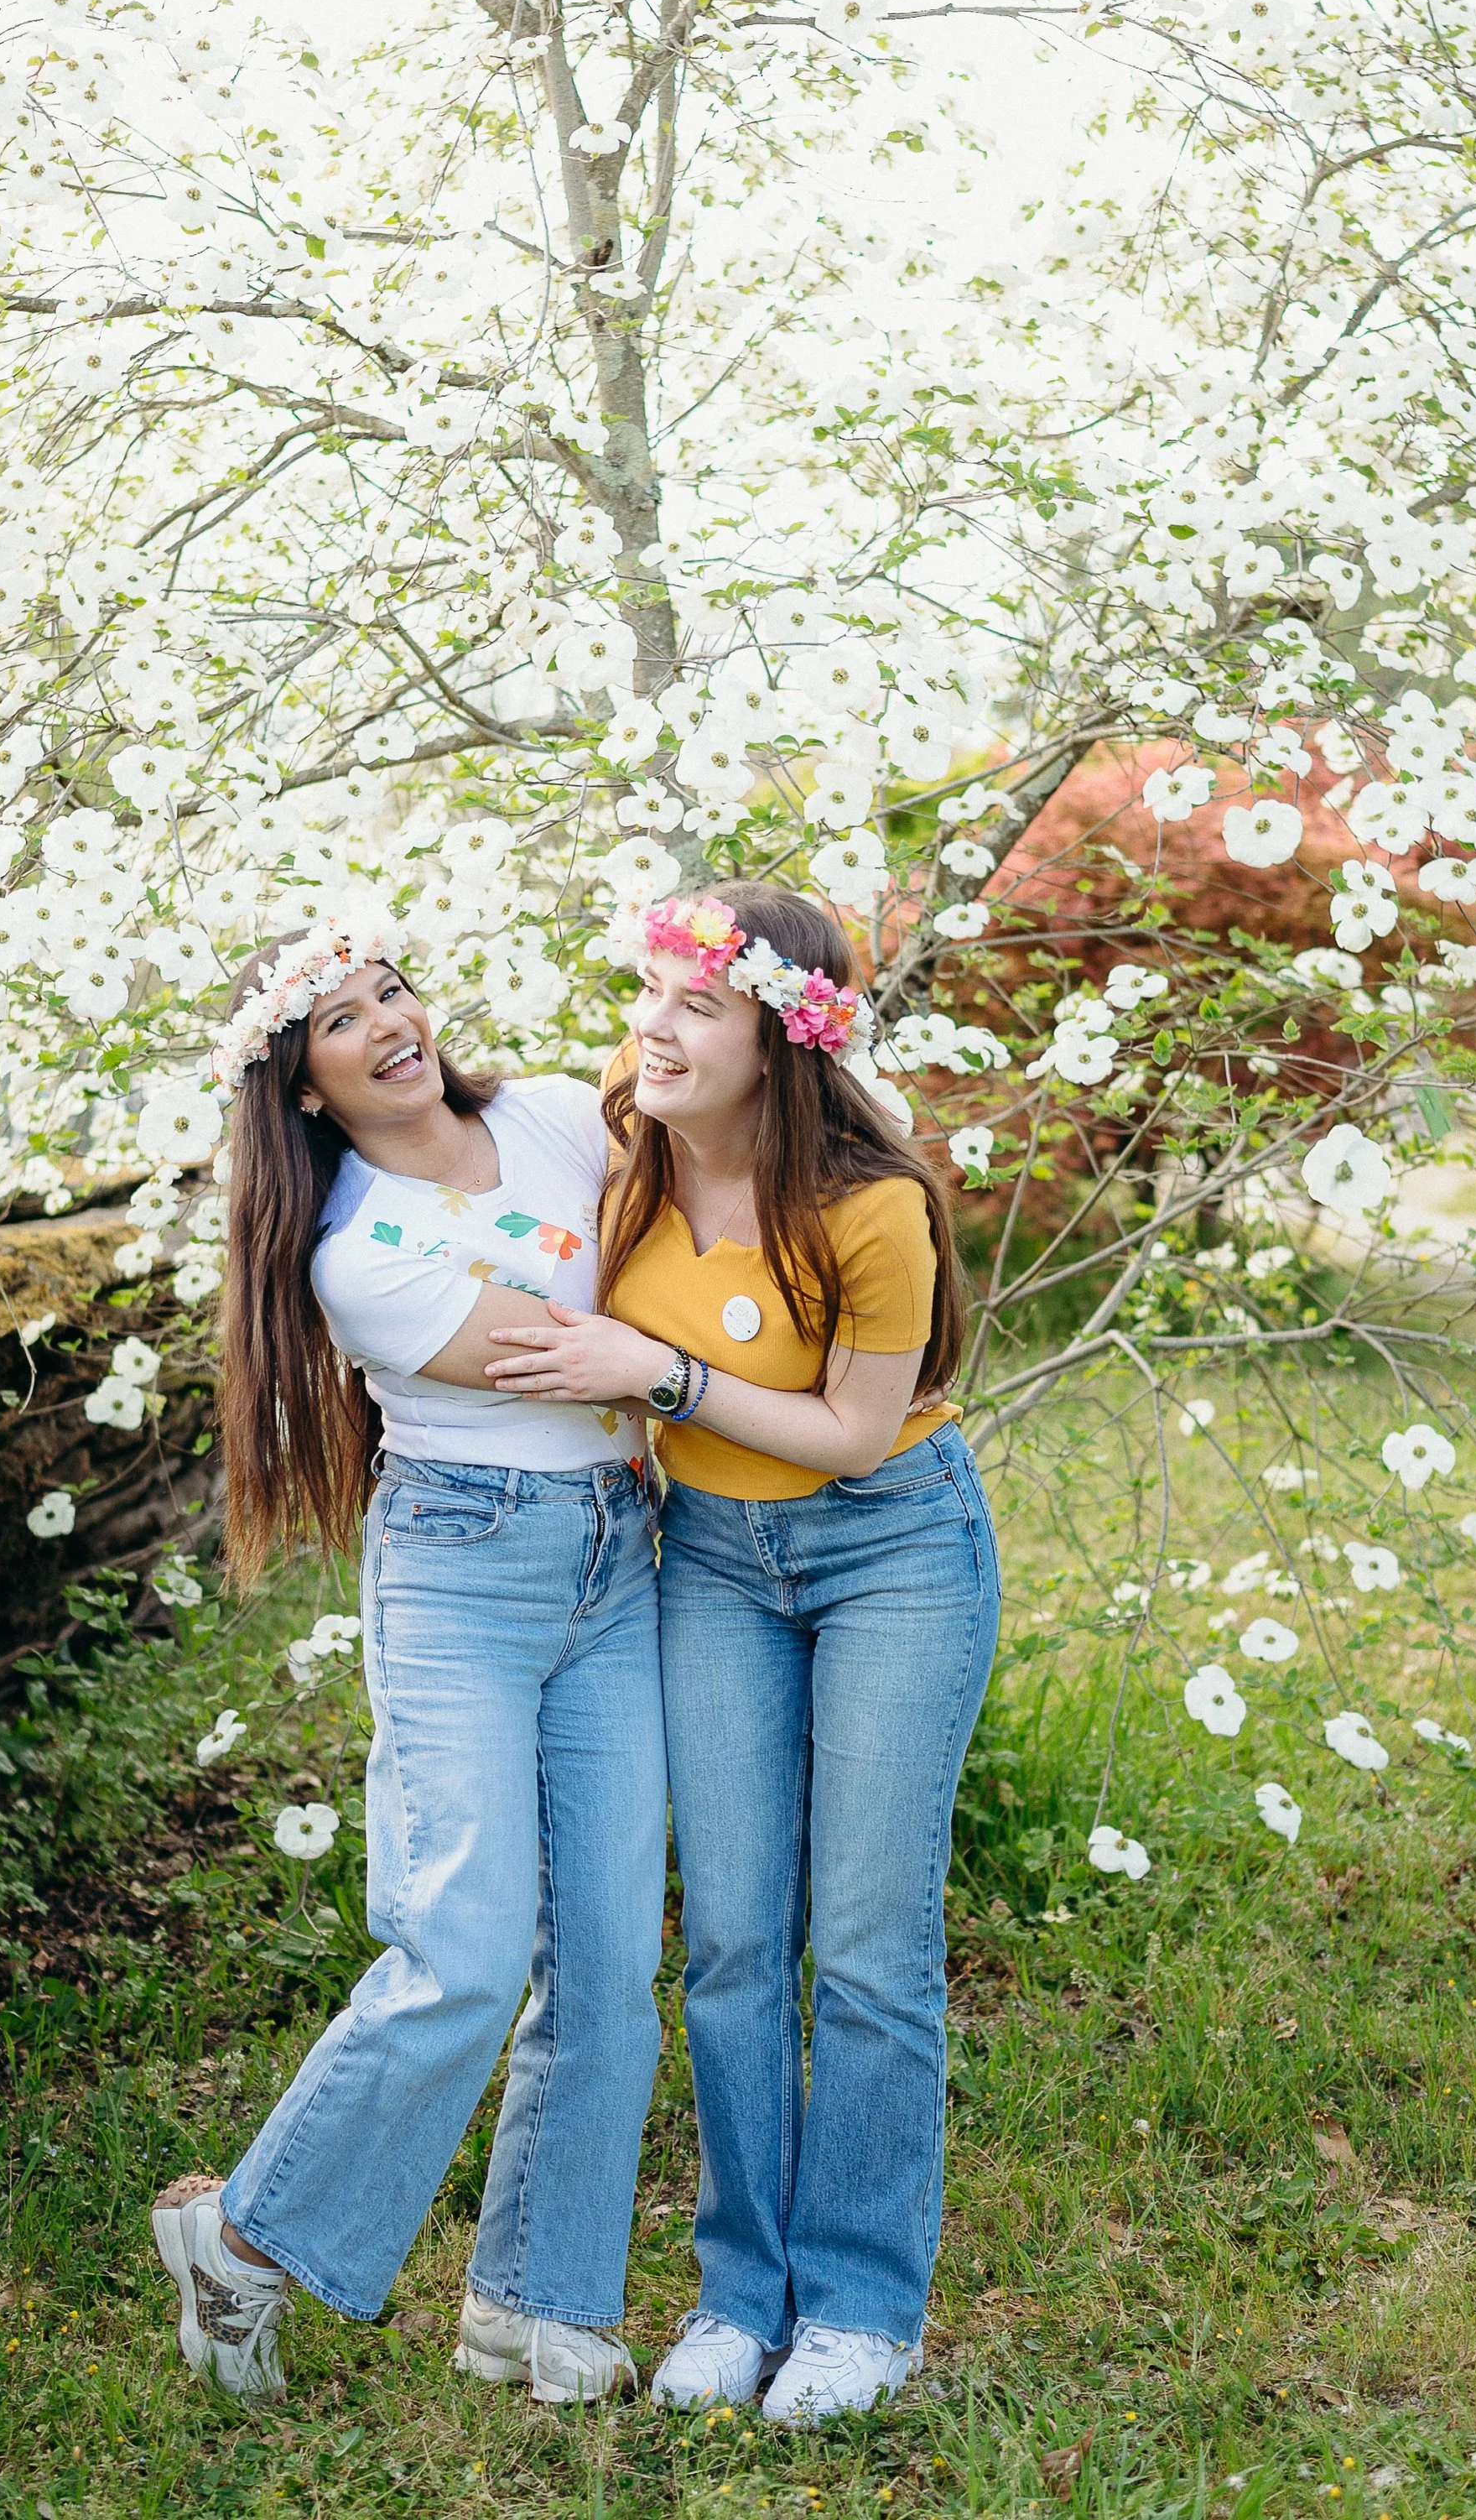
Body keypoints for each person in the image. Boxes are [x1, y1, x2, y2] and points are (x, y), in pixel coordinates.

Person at [485, 883, 998, 2425]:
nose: (653, 1024)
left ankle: (858, 2311)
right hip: (706, 1558)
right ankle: (736, 2294)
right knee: (727, 1946)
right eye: (647, 989)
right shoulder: (613, 1157)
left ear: (787, 1038)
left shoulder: (869, 1203)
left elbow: (848, 1438)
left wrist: (663, 1375)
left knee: (864, 1944)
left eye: (695, 1003)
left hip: (891, 1548)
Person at [149, 923, 665, 2406]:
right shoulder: (357, 1252)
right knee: (465, 1950)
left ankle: (536, 2304)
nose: (386, 1025)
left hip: (615, 1558)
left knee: (614, 1959)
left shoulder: (561, 1113)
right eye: (337, 1020)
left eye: (392, 992)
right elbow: (583, 1348)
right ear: (299, 1086)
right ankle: (245, 2243)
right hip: (466, 1569)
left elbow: (691, 1227)